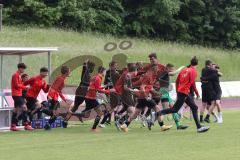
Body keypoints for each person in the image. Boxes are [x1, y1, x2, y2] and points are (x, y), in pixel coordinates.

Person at [157, 56, 210, 133]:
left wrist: (178, 91)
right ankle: (158, 113)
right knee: (175, 109)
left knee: (194, 107)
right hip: (185, 92)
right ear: (197, 64)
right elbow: (192, 84)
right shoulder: (193, 71)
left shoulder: (184, 70)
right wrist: (196, 93)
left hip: (182, 91)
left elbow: (177, 81)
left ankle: (199, 127)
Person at [152, 63, 188, 130]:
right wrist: (181, 68)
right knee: (165, 110)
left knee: (173, 109)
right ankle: (152, 120)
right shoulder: (165, 72)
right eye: (171, 69)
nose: (172, 70)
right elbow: (173, 73)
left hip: (166, 93)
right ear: (167, 68)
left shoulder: (163, 72)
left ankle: (178, 125)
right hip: (164, 93)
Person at [62, 60, 95, 127]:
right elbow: (84, 68)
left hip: (80, 91)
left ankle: (65, 120)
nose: (93, 69)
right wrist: (85, 63)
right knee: (92, 107)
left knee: (75, 107)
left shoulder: (88, 74)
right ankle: (76, 115)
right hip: (83, 92)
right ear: (90, 67)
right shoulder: (86, 72)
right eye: (92, 67)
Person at [44, 66, 71, 130]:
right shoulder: (60, 78)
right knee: (55, 113)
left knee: (55, 113)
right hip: (53, 97)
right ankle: (42, 109)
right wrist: (50, 96)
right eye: (69, 71)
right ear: (66, 72)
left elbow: (58, 90)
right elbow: (54, 88)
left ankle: (47, 125)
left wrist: (63, 98)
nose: (70, 72)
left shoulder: (62, 78)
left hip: (55, 97)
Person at [10, 63, 33, 131]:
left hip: (18, 94)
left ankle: (13, 125)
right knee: (24, 107)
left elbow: (19, 85)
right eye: (23, 68)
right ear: (20, 68)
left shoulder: (19, 76)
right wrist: (25, 87)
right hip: (16, 94)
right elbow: (16, 85)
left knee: (16, 109)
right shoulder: (15, 75)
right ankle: (26, 124)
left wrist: (25, 87)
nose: (23, 70)